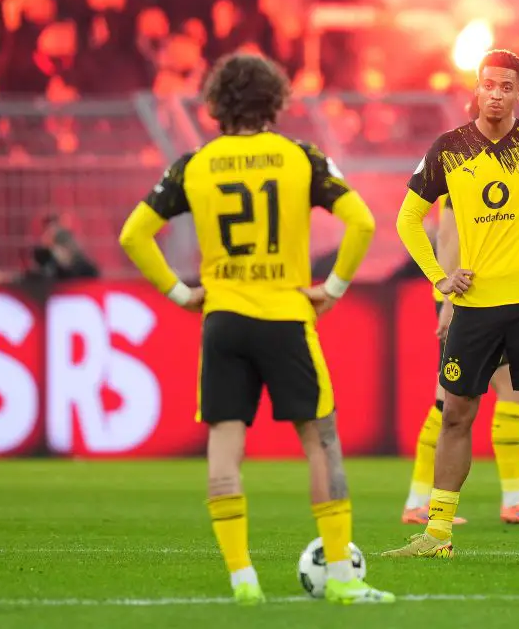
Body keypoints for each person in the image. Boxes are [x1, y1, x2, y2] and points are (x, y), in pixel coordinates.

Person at [118, 52, 395, 606]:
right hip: (286, 316)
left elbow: (133, 235)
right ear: (275, 101)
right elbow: (361, 220)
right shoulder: (300, 158)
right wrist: (333, 288)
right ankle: (341, 576)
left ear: (217, 104)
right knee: (321, 442)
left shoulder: (194, 165)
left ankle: (242, 579)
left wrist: (181, 294)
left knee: (225, 444)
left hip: (222, 319)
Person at [387, 49, 519, 560]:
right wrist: (440, 279)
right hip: (476, 308)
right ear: (477, 88)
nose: (497, 94)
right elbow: (408, 220)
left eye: (507, 86)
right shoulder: (449, 149)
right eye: (489, 84)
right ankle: (436, 534)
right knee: (456, 414)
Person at [401, 193, 519, 526]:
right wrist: (448, 298)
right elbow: (447, 233)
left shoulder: (485, 156)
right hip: (468, 296)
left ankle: (512, 498)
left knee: (512, 387)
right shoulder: (463, 157)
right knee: (451, 399)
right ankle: (421, 501)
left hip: (490, 293)